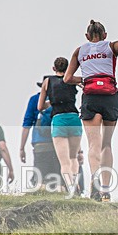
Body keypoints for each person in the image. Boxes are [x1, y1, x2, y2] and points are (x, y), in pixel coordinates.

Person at [63, 20, 118, 202]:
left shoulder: (80, 51)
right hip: (110, 97)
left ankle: (95, 184)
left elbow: (67, 78)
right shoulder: (111, 46)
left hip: (91, 97)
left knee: (93, 144)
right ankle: (106, 191)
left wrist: (85, 78)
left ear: (87, 36)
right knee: (106, 144)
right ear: (105, 35)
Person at [38, 57, 83, 195]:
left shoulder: (47, 81)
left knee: (64, 162)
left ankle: (70, 187)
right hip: (74, 119)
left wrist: (52, 102)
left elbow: (40, 107)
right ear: (68, 68)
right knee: (73, 157)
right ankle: (75, 183)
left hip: (59, 120)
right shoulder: (72, 79)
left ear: (54, 68)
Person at [20, 81, 61, 187]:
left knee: (40, 178)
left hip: (40, 144)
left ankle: (40, 199)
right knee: (58, 177)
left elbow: (27, 124)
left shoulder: (34, 100)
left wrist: (21, 148)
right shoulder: (60, 99)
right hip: (58, 143)